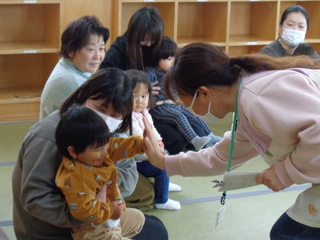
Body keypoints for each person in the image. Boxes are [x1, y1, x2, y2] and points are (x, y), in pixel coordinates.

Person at [143, 42, 320, 239]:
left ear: (204, 93)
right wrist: (164, 163)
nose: (190, 110)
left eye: (188, 104)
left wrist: (285, 172)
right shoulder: (246, 105)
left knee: (288, 234)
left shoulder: (256, 97)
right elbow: (220, 157)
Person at [12, 68, 168, 240]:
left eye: (115, 115)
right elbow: (36, 200)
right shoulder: (48, 135)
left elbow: (129, 176)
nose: (106, 118)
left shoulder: (113, 129)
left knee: (156, 230)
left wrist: (101, 186)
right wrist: (88, 210)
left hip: (100, 215)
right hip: (55, 230)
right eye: (101, 108)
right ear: (83, 96)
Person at [100, 6, 213, 154]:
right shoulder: (119, 50)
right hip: (135, 109)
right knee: (177, 140)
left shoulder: (162, 45)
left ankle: (201, 142)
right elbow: (105, 79)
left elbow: (174, 66)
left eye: (152, 40)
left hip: (159, 104)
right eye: (143, 40)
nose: (147, 44)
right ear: (134, 33)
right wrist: (138, 88)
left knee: (196, 127)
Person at [55, 105, 148, 239]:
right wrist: (111, 210)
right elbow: (83, 210)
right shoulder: (77, 177)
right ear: (73, 152)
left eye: (105, 144)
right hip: (93, 229)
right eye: (98, 149)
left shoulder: (95, 152)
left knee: (138, 218)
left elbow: (117, 145)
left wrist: (141, 145)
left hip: (108, 216)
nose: (105, 151)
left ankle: (116, 233)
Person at [146, 36, 222, 150]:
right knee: (178, 116)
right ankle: (195, 140)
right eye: (168, 59)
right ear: (157, 58)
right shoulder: (150, 72)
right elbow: (144, 86)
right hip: (158, 107)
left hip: (171, 104)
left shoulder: (170, 72)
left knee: (192, 114)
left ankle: (209, 136)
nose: (172, 62)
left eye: (173, 58)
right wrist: (148, 88)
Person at [126, 69, 181, 210]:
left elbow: (152, 129)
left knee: (166, 153)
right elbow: (139, 140)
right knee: (161, 168)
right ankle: (161, 200)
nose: (139, 101)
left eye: (143, 96)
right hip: (136, 159)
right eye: (134, 96)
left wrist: (159, 141)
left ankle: (164, 184)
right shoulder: (129, 117)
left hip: (147, 152)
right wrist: (156, 151)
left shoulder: (143, 112)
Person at [40, 15, 110, 119]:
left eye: (101, 48)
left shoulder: (70, 66)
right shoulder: (71, 81)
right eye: (91, 49)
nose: (98, 56)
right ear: (70, 51)